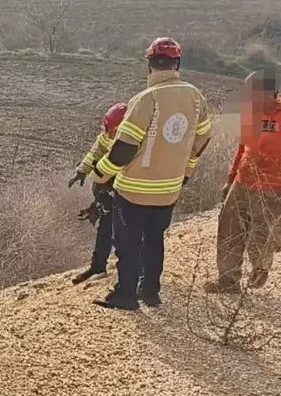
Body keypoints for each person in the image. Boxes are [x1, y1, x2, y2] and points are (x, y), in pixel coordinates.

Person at [88, 37, 213, 310]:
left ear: (149, 66)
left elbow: (123, 149)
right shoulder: (195, 96)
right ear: (176, 63)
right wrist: (186, 168)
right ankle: (150, 292)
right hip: (169, 190)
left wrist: (100, 175)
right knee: (154, 240)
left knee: (128, 243)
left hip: (134, 190)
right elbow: (204, 137)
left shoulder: (146, 99)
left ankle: (125, 295)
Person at [204, 69, 281, 293]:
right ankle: (228, 282)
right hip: (243, 181)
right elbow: (241, 148)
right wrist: (230, 179)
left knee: (260, 234)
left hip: (272, 187)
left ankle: (260, 268)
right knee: (229, 229)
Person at [69, 102, 127, 284]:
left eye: (113, 132)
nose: (109, 135)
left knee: (126, 234)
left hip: (127, 192)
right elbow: (95, 153)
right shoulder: (107, 135)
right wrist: (82, 170)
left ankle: (128, 275)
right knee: (105, 229)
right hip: (108, 191)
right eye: (107, 130)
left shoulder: (134, 139)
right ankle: (98, 267)